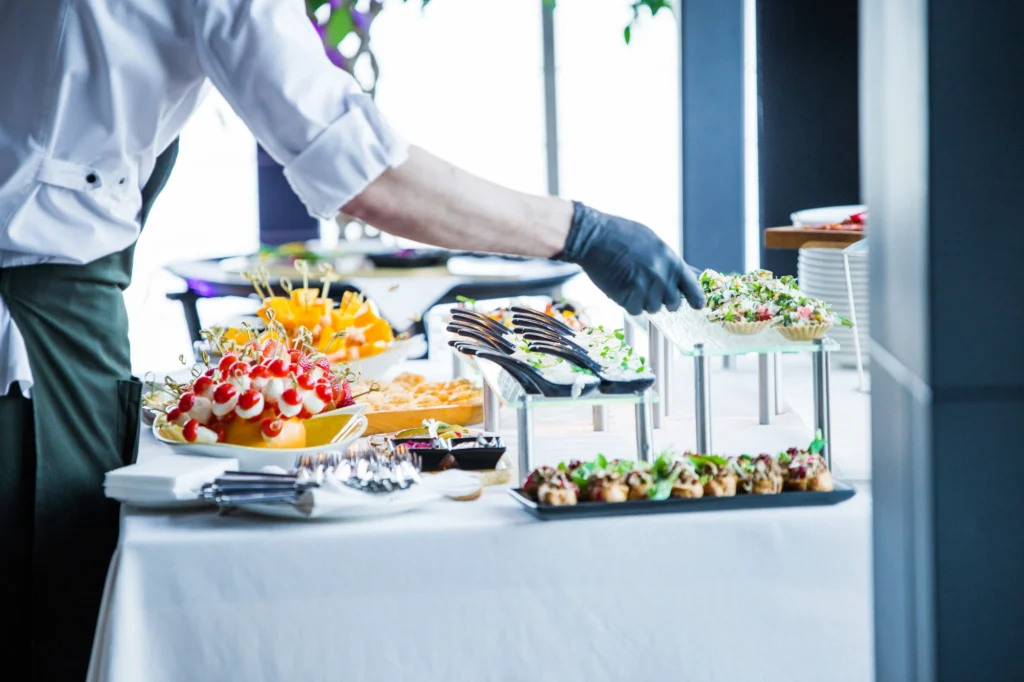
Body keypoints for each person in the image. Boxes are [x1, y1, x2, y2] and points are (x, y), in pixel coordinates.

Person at [0, 0, 703, 679]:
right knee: (51, 618)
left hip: (62, 314)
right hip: (34, 340)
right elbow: (362, 171)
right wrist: (579, 231)